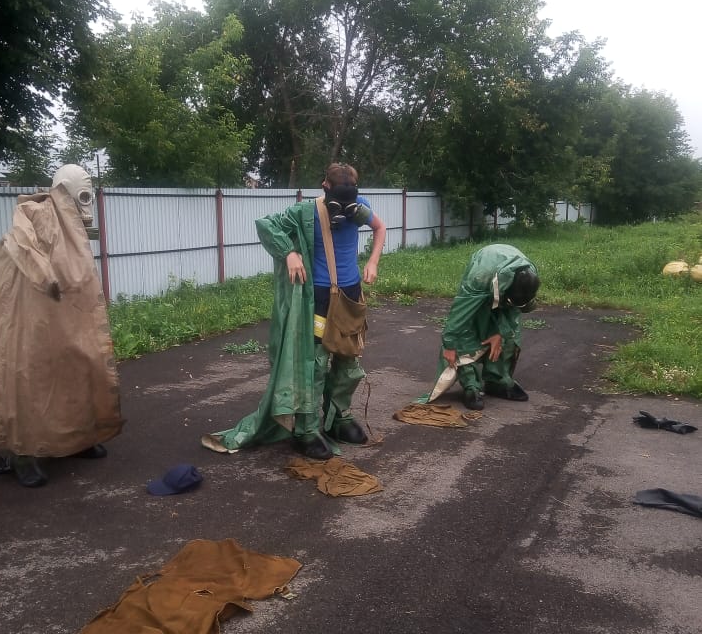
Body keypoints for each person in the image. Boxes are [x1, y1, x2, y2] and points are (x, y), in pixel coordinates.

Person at [0, 165, 123, 487]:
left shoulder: (70, 225)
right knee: (23, 377)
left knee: (76, 368)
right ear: (63, 189)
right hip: (21, 314)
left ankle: (77, 440)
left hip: (63, 314)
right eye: (82, 193)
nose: (85, 203)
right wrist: (45, 277)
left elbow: (75, 272)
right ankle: (21, 453)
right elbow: (24, 246)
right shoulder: (36, 214)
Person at [203, 162, 386, 459]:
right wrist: (288, 252)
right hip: (321, 300)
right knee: (314, 363)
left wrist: (373, 261)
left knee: (348, 360)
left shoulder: (359, 206)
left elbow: (379, 227)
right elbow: (266, 224)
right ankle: (308, 429)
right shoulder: (305, 211)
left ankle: (340, 416)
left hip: (351, 297)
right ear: (324, 186)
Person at [425, 243, 540, 411]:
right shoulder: (479, 278)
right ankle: (471, 386)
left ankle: (497, 381)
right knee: (467, 333)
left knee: (509, 337)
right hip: (484, 274)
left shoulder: (530, 277)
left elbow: (513, 312)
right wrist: (449, 344)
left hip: (504, 284)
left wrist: (500, 333)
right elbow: (461, 313)